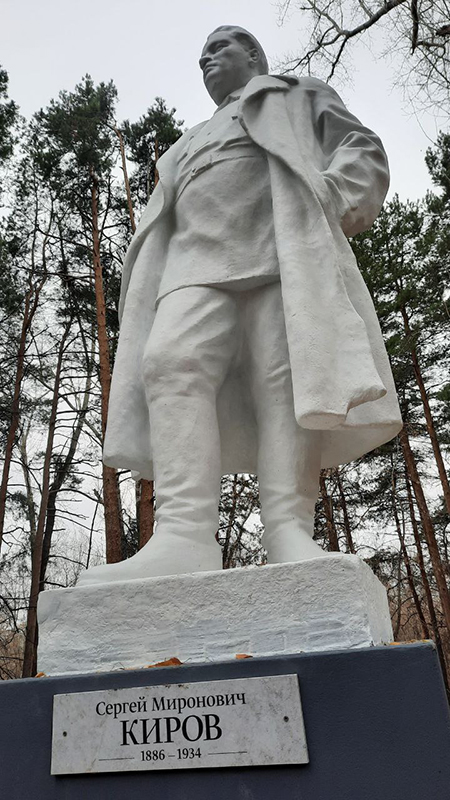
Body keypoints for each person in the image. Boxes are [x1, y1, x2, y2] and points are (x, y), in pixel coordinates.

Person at [78, 25, 402, 586]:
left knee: (283, 378)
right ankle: (182, 533)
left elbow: (361, 149)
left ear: (253, 54)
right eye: (200, 53)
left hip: (280, 251)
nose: (205, 57)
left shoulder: (296, 94)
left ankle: (287, 527)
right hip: (191, 264)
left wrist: (330, 193)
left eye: (220, 46)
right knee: (169, 365)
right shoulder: (191, 138)